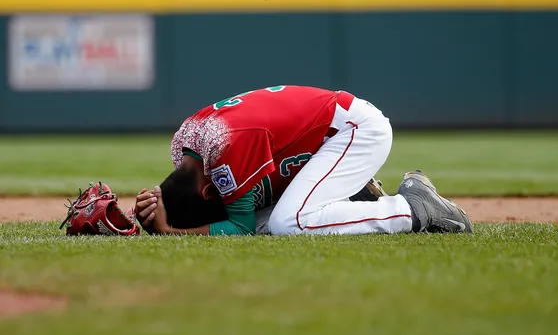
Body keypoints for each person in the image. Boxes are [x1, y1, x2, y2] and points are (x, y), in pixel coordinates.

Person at [134, 85, 472, 236]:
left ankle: (414, 208)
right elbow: (216, 201)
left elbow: (241, 226)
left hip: (354, 131)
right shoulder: (184, 146)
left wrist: (172, 228)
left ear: (209, 192)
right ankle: (353, 198)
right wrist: (159, 202)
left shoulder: (223, 153)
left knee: (288, 223)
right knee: (270, 218)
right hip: (322, 140)